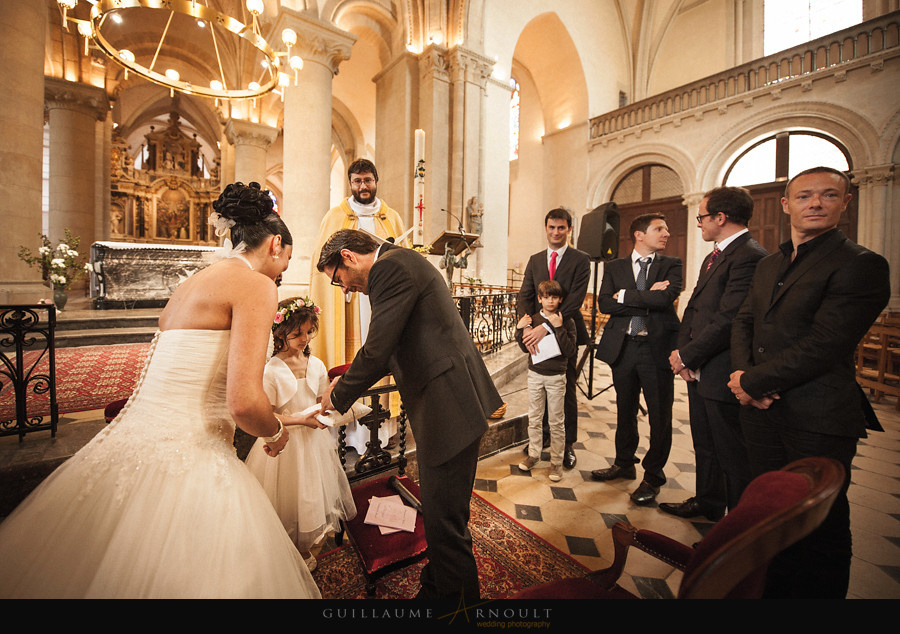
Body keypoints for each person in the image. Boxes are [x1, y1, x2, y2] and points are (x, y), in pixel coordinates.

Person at [0, 182, 321, 599]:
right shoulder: (257, 286)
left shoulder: (188, 286)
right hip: (194, 449)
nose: (282, 272)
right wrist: (276, 433)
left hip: (131, 442)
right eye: (286, 262)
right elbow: (242, 403)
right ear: (275, 244)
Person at [728, 166, 890, 598]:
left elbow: (826, 344)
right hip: (760, 412)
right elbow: (745, 321)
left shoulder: (862, 264)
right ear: (786, 205)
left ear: (845, 202)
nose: (815, 203)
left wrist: (754, 381)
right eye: (804, 196)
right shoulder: (769, 264)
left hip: (815, 414)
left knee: (818, 526)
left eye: (827, 195)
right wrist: (744, 379)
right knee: (767, 516)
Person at [316, 229, 502, 601]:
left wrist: (336, 397)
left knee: (445, 524)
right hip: (453, 401)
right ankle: (436, 587)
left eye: (340, 281)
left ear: (349, 257)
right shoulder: (401, 262)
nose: (347, 290)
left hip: (447, 406)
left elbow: (379, 348)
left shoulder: (390, 269)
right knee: (444, 513)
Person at [660, 187, 766, 521]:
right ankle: (707, 502)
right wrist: (681, 350)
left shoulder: (750, 255)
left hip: (722, 370)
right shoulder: (714, 255)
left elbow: (729, 318)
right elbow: (693, 308)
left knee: (731, 454)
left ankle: (733, 531)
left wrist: (688, 356)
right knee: (705, 444)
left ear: (720, 218)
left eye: (701, 217)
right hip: (699, 367)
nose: (698, 225)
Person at [244, 296, 357, 572]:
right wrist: (300, 421)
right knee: (284, 500)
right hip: (282, 443)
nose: (304, 338)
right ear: (280, 333)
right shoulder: (271, 370)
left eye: (308, 332)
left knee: (309, 496)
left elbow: (321, 401)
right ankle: (282, 552)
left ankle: (302, 549)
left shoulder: (316, 364)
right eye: (297, 334)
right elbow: (266, 415)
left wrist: (331, 410)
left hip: (313, 443)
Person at [309, 158, 406, 454]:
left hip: (383, 304)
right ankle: (349, 432)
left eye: (368, 180)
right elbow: (324, 269)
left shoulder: (392, 218)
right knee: (354, 353)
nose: (363, 186)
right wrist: (345, 289)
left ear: (376, 181)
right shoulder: (335, 217)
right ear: (350, 184)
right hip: (348, 305)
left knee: (379, 348)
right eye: (357, 181)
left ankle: (382, 428)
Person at [591, 213, 682, 506]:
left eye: (666, 228)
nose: (666, 233)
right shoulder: (615, 266)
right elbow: (604, 302)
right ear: (639, 235)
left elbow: (664, 300)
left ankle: (653, 476)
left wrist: (625, 296)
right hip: (624, 347)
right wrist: (644, 297)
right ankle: (624, 462)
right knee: (625, 409)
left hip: (656, 349)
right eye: (659, 228)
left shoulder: (671, 265)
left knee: (659, 415)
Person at [517, 208, 591, 469]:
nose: (556, 232)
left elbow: (574, 300)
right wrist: (526, 328)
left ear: (569, 229)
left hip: (564, 331)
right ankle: (543, 438)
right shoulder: (536, 259)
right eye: (551, 227)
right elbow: (525, 294)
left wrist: (546, 327)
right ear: (546, 228)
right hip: (534, 333)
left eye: (561, 228)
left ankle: (567, 444)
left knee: (565, 389)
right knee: (539, 390)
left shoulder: (581, 259)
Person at [516, 280, 577, 483]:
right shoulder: (532, 319)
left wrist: (558, 329)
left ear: (560, 299)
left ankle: (556, 462)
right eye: (546, 297)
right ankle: (534, 454)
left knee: (556, 421)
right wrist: (519, 330)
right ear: (540, 298)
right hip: (535, 374)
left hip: (556, 376)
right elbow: (525, 348)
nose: (550, 301)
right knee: (534, 417)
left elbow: (570, 351)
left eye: (554, 297)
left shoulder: (566, 320)